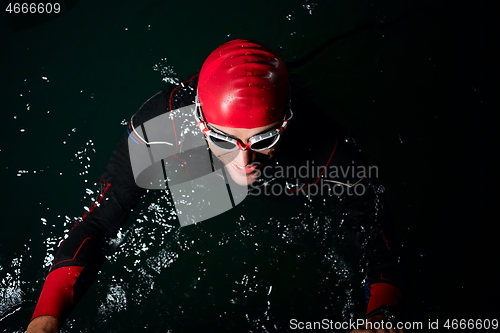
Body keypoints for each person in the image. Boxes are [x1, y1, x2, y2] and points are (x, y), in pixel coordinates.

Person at [27, 39, 406, 333]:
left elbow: (374, 226)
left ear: (286, 125)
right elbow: (100, 222)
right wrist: (44, 320)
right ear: (201, 124)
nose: (244, 163)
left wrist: (383, 314)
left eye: (263, 141)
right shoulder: (162, 128)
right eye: (225, 141)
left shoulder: (327, 147)